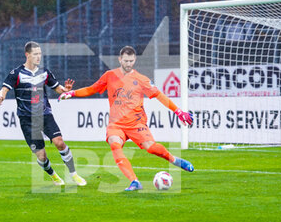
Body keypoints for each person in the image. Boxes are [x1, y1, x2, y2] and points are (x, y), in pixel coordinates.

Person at [58, 46, 193, 191]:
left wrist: (178, 112)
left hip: (136, 123)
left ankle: (174, 160)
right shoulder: (110, 75)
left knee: (152, 148)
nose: (128, 64)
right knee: (115, 145)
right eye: (126, 61)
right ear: (120, 59)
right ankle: (134, 181)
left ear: (134, 60)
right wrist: (73, 93)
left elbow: (160, 96)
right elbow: (93, 88)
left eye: (131, 61)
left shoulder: (141, 79)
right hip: (116, 125)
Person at [0, 41, 86, 186]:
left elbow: (58, 88)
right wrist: (1, 96)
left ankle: (74, 174)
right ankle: (53, 175)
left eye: (40, 54)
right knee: (42, 156)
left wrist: (66, 90)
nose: (39, 57)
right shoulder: (16, 73)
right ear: (27, 55)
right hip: (27, 119)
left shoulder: (44, 72)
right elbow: (5, 88)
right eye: (35, 54)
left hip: (45, 114)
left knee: (59, 142)